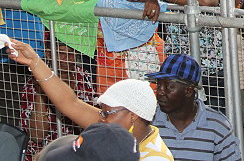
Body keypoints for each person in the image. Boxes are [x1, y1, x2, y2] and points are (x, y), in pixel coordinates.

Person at [5, 38, 173, 160]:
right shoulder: (116, 129)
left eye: (106, 113)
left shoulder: (154, 157)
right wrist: (34, 62)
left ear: (133, 115)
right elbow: (70, 103)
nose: (101, 118)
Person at [145, 54, 241, 161]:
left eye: (168, 86)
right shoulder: (147, 122)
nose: (160, 92)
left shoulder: (218, 126)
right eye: (159, 86)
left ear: (189, 91)